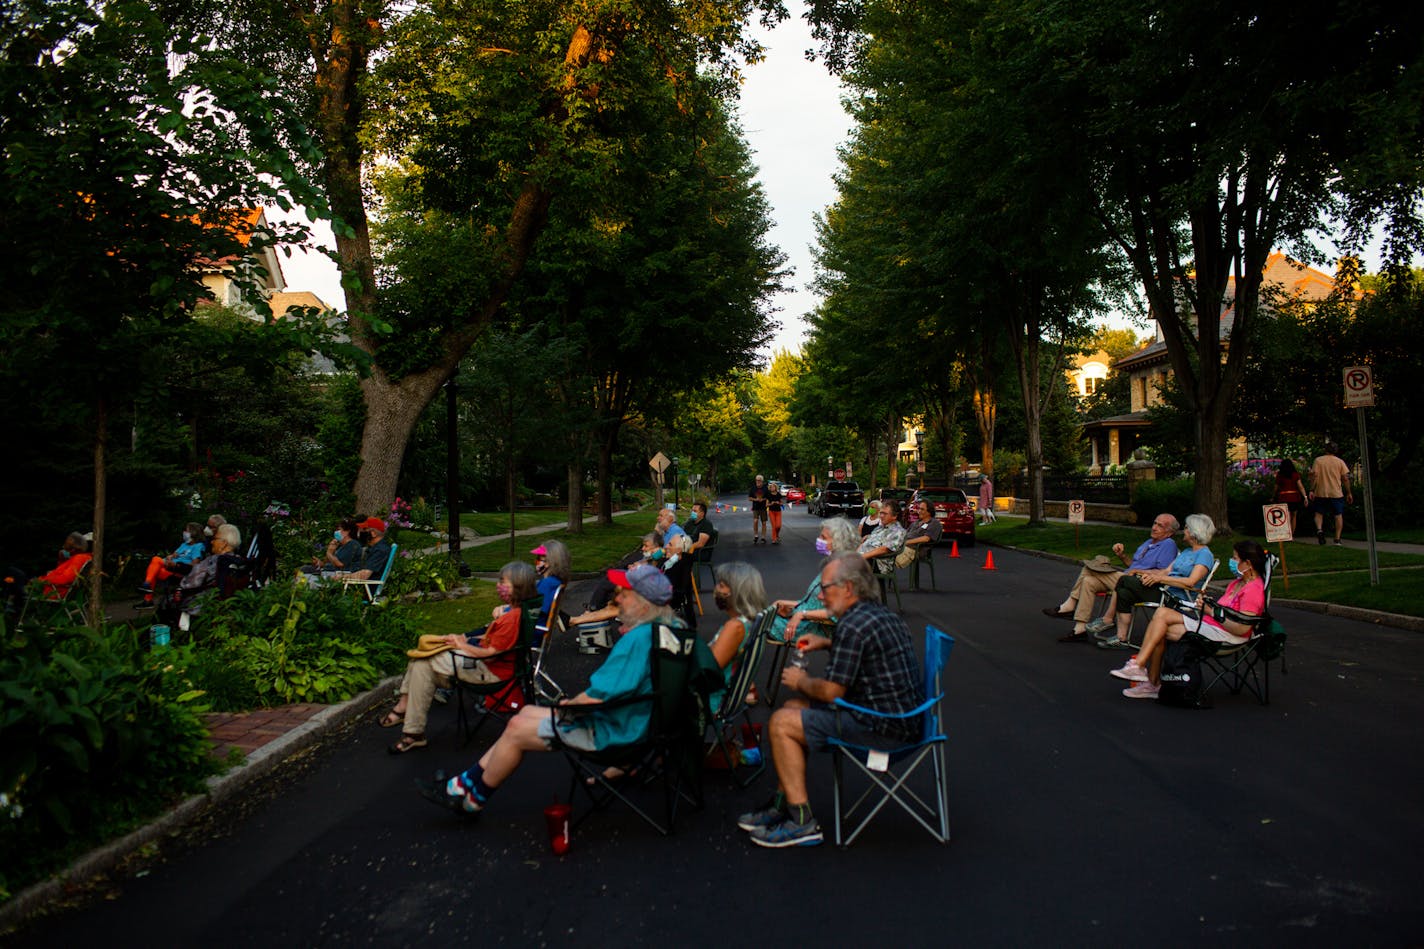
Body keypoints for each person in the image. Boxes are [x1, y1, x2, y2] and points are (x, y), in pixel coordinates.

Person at [415, 563, 684, 816]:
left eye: (624, 593)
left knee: (517, 728)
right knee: (528, 712)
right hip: (643, 724)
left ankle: (472, 799)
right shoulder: (673, 630)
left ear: (643, 603)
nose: (617, 598)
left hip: (614, 731)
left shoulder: (636, 641)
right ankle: (462, 788)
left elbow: (595, 698)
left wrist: (567, 709)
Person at [737, 554, 923, 848]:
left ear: (848, 588)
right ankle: (781, 804)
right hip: (901, 720)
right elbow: (866, 650)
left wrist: (801, 682)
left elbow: (831, 692)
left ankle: (801, 822)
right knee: (793, 709)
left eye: (825, 588)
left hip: (883, 731)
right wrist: (826, 642)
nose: (821, 595)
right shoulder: (877, 614)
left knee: (782, 722)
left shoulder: (853, 625)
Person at [383, 561, 538, 753]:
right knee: (422, 664)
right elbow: (493, 641)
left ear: (518, 587)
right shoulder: (517, 613)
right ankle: (412, 733)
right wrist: (464, 638)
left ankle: (407, 718)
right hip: (487, 666)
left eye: (502, 581)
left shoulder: (510, 619)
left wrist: (460, 644)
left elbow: (490, 654)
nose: (498, 585)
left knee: (424, 657)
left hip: (490, 673)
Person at [1111, 540, 1269, 699]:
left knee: (1161, 620)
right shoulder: (1237, 583)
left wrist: (1211, 611)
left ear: (1247, 563)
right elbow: (1224, 610)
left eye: (1235, 558)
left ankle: (1145, 674)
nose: (1232, 561)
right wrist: (1207, 606)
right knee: (1161, 618)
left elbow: (1242, 628)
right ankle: (1145, 674)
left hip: (1228, 636)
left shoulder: (1253, 590)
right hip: (1211, 626)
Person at [1043, 513, 1179, 643]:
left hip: (1138, 583)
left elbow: (1162, 572)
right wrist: (1122, 556)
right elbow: (1132, 565)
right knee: (1088, 581)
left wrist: (1138, 571)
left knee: (1094, 565)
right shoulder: (1148, 542)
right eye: (1154, 523)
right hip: (1126, 576)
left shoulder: (1168, 544)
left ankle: (1070, 606)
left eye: (1160, 526)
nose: (1154, 527)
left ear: (1169, 532)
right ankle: (1080, 630)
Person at [1097, 513, 1216, 651]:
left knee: (1125, 580)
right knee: (1124, 592)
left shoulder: (1205, 555)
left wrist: (1160, 579)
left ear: (1195, 532)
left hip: (1178, 597)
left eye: (1187, 528)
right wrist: (1141, 572)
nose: (1184, 530)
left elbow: (1191, 582)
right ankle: (1121, 638)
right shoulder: (1187, 552)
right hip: (1165, 590)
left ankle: (1107, 619)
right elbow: (1165, 571)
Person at [770, 516, 860, 645]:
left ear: (837, 542)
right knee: (756, 617)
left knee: (750, 624)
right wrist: (783, 603)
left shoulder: (842, 571)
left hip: (813, 628)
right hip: (803, 622)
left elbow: (837, 612)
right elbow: (809, 603)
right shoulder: (831, 566)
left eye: (823, 538)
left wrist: (801, 614)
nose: (819, 540)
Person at [708, 561, 768, 693]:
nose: (716, 589)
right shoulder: (749, 621)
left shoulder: (736, 627)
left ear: (738, 592)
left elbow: (709, 671)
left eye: (721, 586)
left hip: (712, 699)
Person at [136, 522, 208, 610]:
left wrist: (177, 564)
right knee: (155, 569)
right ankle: (147, 598)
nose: (184, 532)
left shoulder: (198, 546)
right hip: (169, 568)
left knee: (155, 560)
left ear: (193, 533)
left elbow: (195, 565)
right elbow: (173, 555)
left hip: (180, 571)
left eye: (186, 530)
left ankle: (147, 589)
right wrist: (170, 558)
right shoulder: (184, 545)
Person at [1309, 441, 1353, 546]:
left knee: (1319, 513)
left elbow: (1314, 476)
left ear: (1325, 449)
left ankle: (1319, 530)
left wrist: (1312, 489)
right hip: (1336, 493)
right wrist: (1349, 492)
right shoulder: (1340, 462)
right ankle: (1337, 539)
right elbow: (1345, 478)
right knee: (1338, 515)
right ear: (1336, 451)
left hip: (1321, 492)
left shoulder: (1318, 461)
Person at [30, 532, 93, 601]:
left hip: (54, 591)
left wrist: (43, 580)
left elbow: (66, 579)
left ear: (74, 548)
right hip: (55, 588)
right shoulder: (82, 558)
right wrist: (61, 560)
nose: (63, 547)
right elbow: (61, 572)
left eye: (66, 546)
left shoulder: (79, 558)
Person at [332, 516, 392, 582]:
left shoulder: (380, 550)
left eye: (364, 529)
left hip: (366, 587)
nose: (360, 532)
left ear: (373, 533)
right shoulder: (376, 547)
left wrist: (341, 577)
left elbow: (364, 575)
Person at [897, 500, 943, 583]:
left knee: (887, 559)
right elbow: (905, 534)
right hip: (902, 546)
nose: (919, 511)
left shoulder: (934, 523)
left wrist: (906, 542)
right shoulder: (915, 523)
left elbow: (926, 539)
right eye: (919, 509)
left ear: (929, 512)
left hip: (915, 549)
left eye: (922, 509)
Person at [857, 499, 906, 575]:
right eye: (881, 513)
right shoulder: (880, 527)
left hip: (877, 563)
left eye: (885, 514)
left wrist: (861, 557)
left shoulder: (897, 531)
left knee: (844, 567)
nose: (881, 516)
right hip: (866, 558)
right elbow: (865, 543)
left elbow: (884, 549)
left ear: (894, 516)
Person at [532, 540, 570, 627]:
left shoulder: (547, 584)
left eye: (538, 559)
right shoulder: (555, 582)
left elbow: (533, 612)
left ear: (548, 562)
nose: (536, 562)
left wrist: (507, 610)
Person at [1272, 459, 1306, 537]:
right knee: (1294, 516)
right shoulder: (1295, 474)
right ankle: (1292, 534)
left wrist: (1273, 496)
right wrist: (1305, 497)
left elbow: (1276, 487)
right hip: (1294, 497)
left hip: (1283, 497)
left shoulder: (1280, 475)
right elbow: (1300, 487)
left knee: (1285, 516)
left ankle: (1285, 533)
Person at [748, 475, 769, 545]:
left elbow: (768, 497)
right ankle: (756, 535)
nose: (758, 481)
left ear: (762, 481)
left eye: (759, 480)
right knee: (755, 520)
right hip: (755, 507)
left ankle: (763, 537)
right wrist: (756, 499)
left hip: (763, 507)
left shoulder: (765, 488)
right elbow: (749, 498)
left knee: (764, 522)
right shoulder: (753, 488)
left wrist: (763, 499)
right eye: (757, 480)